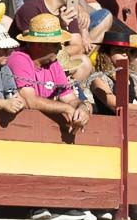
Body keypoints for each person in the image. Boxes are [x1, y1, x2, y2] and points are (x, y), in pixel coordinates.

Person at [7, 13, 92, 148]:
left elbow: (70, 99)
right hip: (18, 134)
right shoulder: (19, 59)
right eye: (55, 44)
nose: (60, 48)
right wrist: (66, 108)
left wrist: (82, 109)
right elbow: (30, 100)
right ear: (39, 44)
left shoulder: (53, 63)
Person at [11, 0, 111, 59]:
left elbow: (77, 46)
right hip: (27, 64)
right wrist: (61, 26)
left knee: (83, 62)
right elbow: (37, 49)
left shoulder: (67, 10)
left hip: (52, 60)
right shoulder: (31, 9)